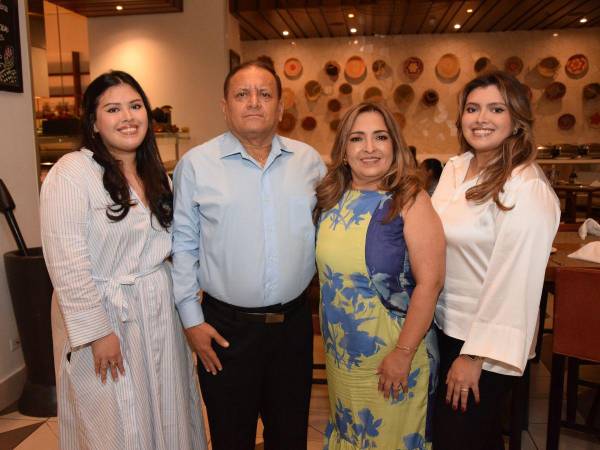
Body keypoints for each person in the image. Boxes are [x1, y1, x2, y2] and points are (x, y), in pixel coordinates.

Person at [40, 71, 206, 450]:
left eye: (135, 106)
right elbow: (67, 263)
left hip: (159, 316)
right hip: (108, 318)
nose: (128, 117)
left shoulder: (154, 173)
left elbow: (169, 243)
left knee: (168, 411)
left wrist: (186, 285)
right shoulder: (72, 173)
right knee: (116, 424)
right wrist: (98, 333)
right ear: (94, 123)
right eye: (113, 109)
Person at [171, 60, 326, 450]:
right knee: (230, 437)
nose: (253, 102)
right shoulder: (195, 165)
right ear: (225, 106)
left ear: (280, 107)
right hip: (225, 331)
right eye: (242, 94)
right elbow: (183, 246)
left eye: (264, 94)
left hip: (292, 327)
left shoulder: (310, 163)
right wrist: (192, 322)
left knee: (290, 436)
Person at [431, 71, 560, 450]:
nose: (481, 118)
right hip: (445, 327)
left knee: (458, 439)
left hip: (484, 344)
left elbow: (514, 282)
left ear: (516, 120)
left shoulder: (526, 187)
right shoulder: (456, 169)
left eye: (495, 109)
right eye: (472, 108)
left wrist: (474, 355)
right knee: (475, 438)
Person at [314, 102, 445, 449]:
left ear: (394, 146)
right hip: (343, 360)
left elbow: (430, 284)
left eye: (380, 137)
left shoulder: (411, 201)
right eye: (357, 138)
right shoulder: (331, 200)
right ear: (343, 150)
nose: (369, 148)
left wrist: (402, 354)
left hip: (394, 354)